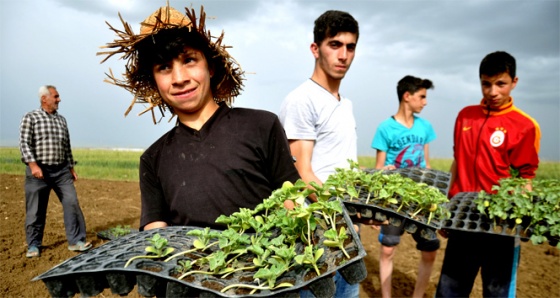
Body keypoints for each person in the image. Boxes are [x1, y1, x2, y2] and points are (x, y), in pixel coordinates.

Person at [98, 4, 300, 231]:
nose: (179, 78)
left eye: (189, 60)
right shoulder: (153, 159)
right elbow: (155, 230)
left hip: (265, 263)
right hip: (192, 265)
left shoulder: (262, 126)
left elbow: (291, 198)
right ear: (155, 81)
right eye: (164, 67)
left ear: (210, 67)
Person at [435, 51, 541, 297]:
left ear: (514, 82)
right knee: (449, 291)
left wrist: (521, 220)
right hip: (463, 221)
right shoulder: (465, 116)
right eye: (486, 84)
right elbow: (457, 161)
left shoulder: (525, 126)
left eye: (501, 84)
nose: (493, 92)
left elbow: (526, 178)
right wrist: (447, 207)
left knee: (496, 292)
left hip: (499, 227)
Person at [279, 10, 360, 298]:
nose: (344, 55)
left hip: (346, 233)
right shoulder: (303, 100)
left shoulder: (344, 103)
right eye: (335, 45)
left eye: (350, 47)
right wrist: (347, 211)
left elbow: (341, 166)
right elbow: (302, 173)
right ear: (315, 49)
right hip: (319, 237)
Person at [371, 75, 438, 298]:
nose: (425, 102)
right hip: (394, 200)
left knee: (430, 251)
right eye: (422, 97)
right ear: (407, 96)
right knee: (388, 249)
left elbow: (426, 164)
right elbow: (378, 168)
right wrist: (384, 176)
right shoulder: (385, 128)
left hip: (420, 199)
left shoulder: (425, 127)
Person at [19, 85, 92, 258]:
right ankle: (34, 245)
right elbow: (24, 143)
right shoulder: (31, 117)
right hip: (39, 172)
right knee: (36, 210)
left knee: (71, 202)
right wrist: (33, 166)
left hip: (61, 171)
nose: (59, 99)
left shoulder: (61, 120)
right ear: (44, 98)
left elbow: (66, 146)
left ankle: (76, 241)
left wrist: (71, 167)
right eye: (56, 96)